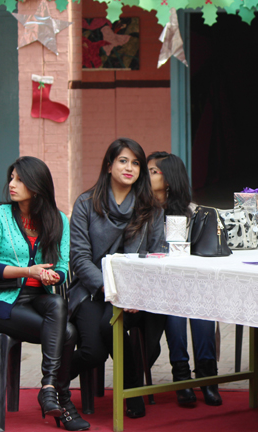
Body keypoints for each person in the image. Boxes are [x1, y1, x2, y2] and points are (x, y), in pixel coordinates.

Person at [0, 157, 89, 430]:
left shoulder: (58, 220)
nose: (12, 184)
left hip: (38, 299)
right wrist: (28, 272)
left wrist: (53, 276)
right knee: (68, 333)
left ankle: (49, 388)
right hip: (5, 303)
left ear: (37, 187)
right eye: (11, 177)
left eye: (20, 179)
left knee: (57, 303)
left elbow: (62, 268)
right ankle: (60, 399)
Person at [68, 138, 166, 419]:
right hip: (92, 289)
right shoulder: (86, 204)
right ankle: (54, 380)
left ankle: (130, 389)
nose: (129, 168)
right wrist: (110, 288)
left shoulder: (151, 209)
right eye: (123, 161)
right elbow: (79, 259)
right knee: (93, 352)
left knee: (109, 324)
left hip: (133, 295)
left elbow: (157, 257)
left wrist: (134, 292)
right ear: (109, 165)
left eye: (136, 163)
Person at [147, 151, 222, 407]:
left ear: (168, 179)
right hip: (157, 287)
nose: (146, 176)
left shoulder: (194, 213)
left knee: (202, 309)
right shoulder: (142, 211)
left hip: (191, 284)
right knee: (175, 313)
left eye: (152, 172)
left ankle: (208, 378)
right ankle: (181, 377)